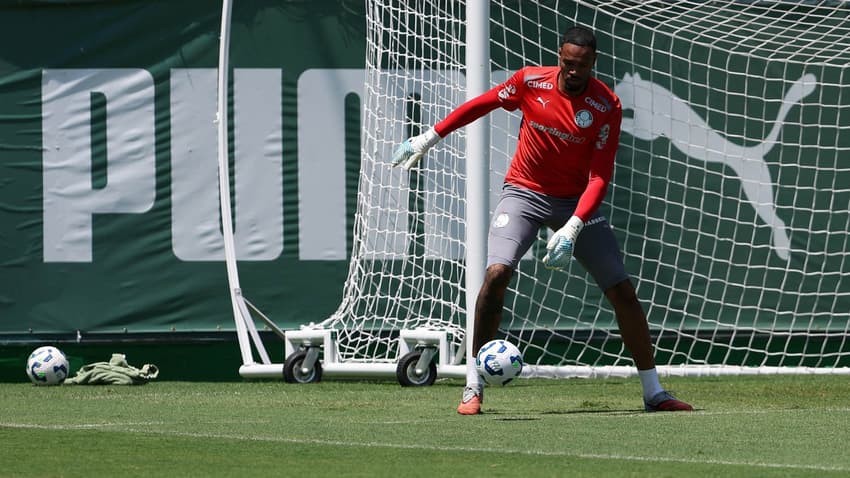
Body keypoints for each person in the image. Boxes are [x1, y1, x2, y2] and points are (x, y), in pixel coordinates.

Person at [391, 26, 693, 415]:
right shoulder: (530, 81)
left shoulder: (606, 106)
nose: (572, 71)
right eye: (567, 63)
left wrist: (574, 225)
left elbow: (600, 175)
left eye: (580, 65)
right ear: (559, 57)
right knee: (496, 274)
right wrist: (430, 136)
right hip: (523, 193)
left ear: (592, 64)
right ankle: (472, 386)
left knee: (622, 290)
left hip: (574, 205)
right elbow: (481, 104)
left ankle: (654, 392)